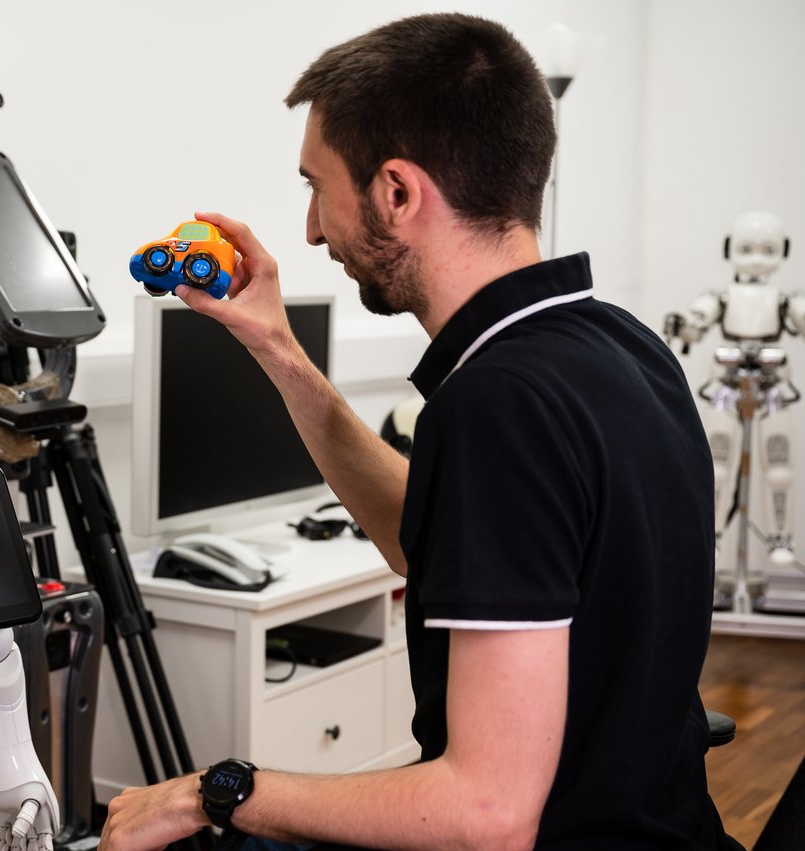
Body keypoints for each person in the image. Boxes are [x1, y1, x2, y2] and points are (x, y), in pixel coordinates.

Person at [99, 13, 736, 851]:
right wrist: (280, 350)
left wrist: (218, 791)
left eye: (315, 187)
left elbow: (487, 817)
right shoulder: (621, 344)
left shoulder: (498, 404)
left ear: (396, 192)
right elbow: (430, 542)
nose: (313, 230)